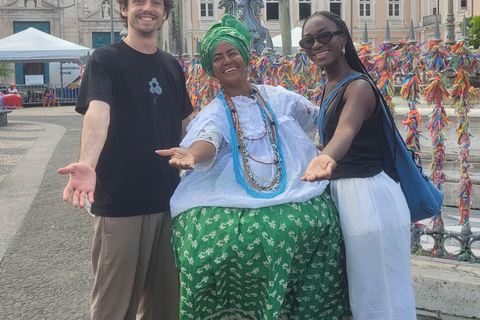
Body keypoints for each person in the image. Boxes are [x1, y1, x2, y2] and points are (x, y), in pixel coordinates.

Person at [156, 14, 347, 320]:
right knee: (213, 242)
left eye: (232, 53)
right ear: (210, 68)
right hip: (234, 193)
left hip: (294, 188)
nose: (227, 61)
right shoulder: (216, 111)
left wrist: (350, 112)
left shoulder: (279, 97)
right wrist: (192, 154)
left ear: (244, 57)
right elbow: (209, 141)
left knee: (318, 223)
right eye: (217, 58)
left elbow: (322, 118)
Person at [57, 0, 193, 319]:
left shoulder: (172, 66)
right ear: (123, 9)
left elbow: (188, 125)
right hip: (121, 205)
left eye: (156, 3)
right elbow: (98, 111)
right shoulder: (105, 59)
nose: (148, 9)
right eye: (138, 2)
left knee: (166, 307)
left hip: (167, 203)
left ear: (164, 11)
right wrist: (87, 163)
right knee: (114, 308)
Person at [300, 11, 416, 320]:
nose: (316, 45)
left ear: (342, 38)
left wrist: (327, 156)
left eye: (324, 36)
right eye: (308, 40)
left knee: (381, 297)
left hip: (368, 201)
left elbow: (346, 131)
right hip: (345, 195)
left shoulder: (359, 87)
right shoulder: (329, 87)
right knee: (359, 297)